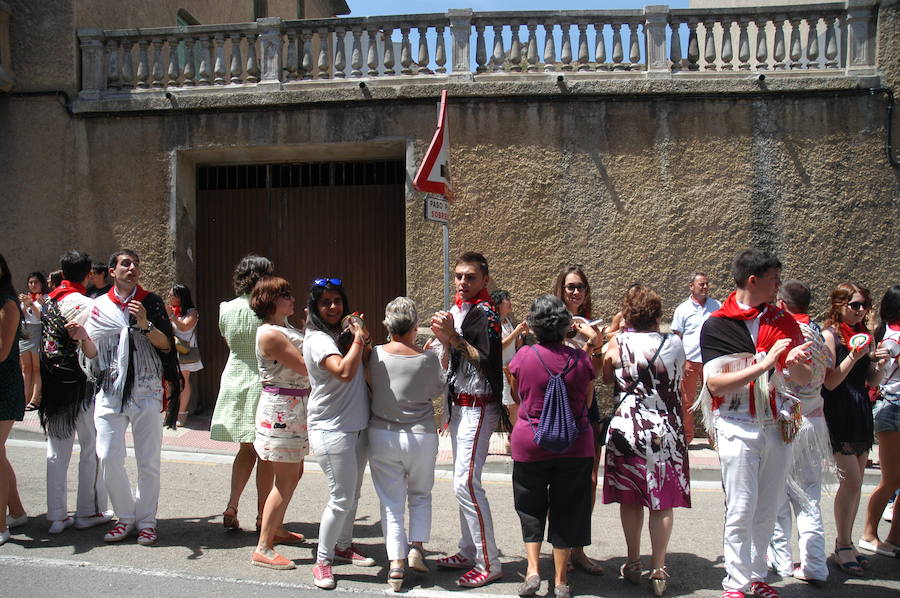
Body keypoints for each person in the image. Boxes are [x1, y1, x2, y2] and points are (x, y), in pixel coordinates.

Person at [696, 248, 812, 598]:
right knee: (741, 506)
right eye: (774, 277)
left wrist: (795, 362)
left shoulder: (783, 321)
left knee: (769, 504)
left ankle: (758, 575)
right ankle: (735, 581)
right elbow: (714, 384)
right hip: (735, 423)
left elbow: (804, 378)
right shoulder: (718, 324)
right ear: (753, 280)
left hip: (774, 424)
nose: (779, 284)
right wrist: (766, 363)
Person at [77, 249, 181, 546]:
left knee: (148, 461)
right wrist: (82, 339)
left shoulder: (150, 301)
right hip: (110, 390)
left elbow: (166, 347)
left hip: (146, 390)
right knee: (108, 456)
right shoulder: (98, 307)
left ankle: (146, 521)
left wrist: (146, 324)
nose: (132, 267)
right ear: (112, 271)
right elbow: (93, 354)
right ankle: (126, 516)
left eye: (136, 263)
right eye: (125, 263)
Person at [601, 285, 689, 597]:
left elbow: (607, 378)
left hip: (628, 429)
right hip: (665, 428)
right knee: (661, 500)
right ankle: (660, 568)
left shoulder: (619, 341)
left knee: (631, 496)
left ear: (628, 313)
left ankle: (634, 561)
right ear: (657, 313)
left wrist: (613, 329)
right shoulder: (675, 342)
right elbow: (682, 382)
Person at [508, 295, 596, 598]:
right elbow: (587, 400)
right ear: (565, 326)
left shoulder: (524, 356)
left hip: (531, 442)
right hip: (575, 444)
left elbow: (518, 395)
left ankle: (533, 570)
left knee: (530, 507)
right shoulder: (582, 360)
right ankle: (560, 580)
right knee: (567, 509)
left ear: (534, 324)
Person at [430, 252, 505, 588]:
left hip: (478, 407)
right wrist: (444, 342)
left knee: (466, 484)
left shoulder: (486, 313)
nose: (462, 282)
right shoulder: (460, 309)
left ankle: (489, 562)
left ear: (484, 280)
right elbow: (450, 360)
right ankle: (468, 550)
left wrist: (454, 339)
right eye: (459, 276)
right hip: (459, 407)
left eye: (470, 277)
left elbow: (484, 361)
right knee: (461, 483)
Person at [367, 297, 445, 591]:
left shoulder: (374, 355)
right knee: (421, 494)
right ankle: (416, 548)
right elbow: (437, 390)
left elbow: (369, 383)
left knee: (391, 503)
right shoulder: (427, 359)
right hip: (421, 435)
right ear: (414, 325)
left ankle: (396, 565)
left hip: (383, 433)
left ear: (388, 326)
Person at [303, 277, 374, 589]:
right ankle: (322, 561)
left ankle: (344, 545)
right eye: (325, 302)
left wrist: (362, 339)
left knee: (352, 494)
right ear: (315, 307)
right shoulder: (318, 339)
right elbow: (344, 372)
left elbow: (364, 362)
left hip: (356, 426)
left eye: (337, 301)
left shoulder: (339, 335)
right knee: (341, 497)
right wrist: (359, 337)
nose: (332, 307)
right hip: (331, 429)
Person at [38, 250, 112, 535]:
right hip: (81, 383)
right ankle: (87, 510)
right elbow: (94, 345)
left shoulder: (48, 300)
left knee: (56, 448)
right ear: (88, 273)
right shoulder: (86, 303)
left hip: (53, 380)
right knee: (90, 447)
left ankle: (57, 516)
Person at [765, 280, 833, 584]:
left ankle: (781, 559)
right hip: (815, 417)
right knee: (809, 497)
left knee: (779, 494)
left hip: (790, 420)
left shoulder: (791, 332)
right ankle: (815, 563)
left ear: (783, 303)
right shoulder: (818, 331)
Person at [210, 254, 275, 532]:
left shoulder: (226, 308)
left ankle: (232, 504)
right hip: (262, 379)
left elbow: (228, 341)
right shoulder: (267, 310)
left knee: (245, 449)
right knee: (266, 453)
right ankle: (263, 515)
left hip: (235, 376)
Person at [249, 276, 310, 569]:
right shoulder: (270, 334)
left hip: (293, 407)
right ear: (271, 301)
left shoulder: (284, 329)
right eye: (285, 295)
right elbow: (305, 365)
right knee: (284, 480)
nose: (292, 298)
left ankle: (276, 528)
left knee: (294, 473)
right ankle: (264, 546)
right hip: (283, 411)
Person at [820, 283, 881, 575]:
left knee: (856, 485)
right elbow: (830, 382)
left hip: (860, 409)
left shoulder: (865, 336)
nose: (860, 311)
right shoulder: (830, 335)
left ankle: (845, 542)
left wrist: (880, 363)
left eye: (864, 306)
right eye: (854, 305)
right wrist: (853, 356)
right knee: (852, 482)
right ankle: (843, 543)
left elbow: (871, 381)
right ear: (839, 304)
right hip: (839, 410)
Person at [551, 264, 605, 575]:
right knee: (559, 482)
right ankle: (561, 550)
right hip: (561, 408)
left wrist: (595, 343)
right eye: (571, 286)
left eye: (581, 287)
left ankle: (578, 548)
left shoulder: (590, 326)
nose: (576, 292)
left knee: (589, 480)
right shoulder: (550, 323)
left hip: (588, 405)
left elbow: (595, 373)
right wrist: (586, 344)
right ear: (561, 290)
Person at [859, 285, 900, 558]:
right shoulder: (893, 336)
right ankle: (869, 533)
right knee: (891, 479)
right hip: (893, 408)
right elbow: (879, 372)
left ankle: (894, 538)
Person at [671, 272, 721, 444]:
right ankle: (687, 438)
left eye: (707, 284)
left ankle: (715, 438)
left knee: (714, 400)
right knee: (686, 402)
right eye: (701, 284)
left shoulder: (717, 306)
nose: (705, 287)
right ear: (691, 286)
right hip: (689, 362)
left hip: (712, 361)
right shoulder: (682, 309)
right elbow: (676, 337)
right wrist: (679, 362)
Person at [0, 253, 28, 545]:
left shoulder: (7, 305)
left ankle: (1, 526)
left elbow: (2, 351)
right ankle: (17, 512)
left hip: (4, 387)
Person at [167, 284, 204, 427]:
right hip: (171, 350)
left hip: (185, 351)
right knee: (170, 381)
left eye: (172, 295)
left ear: (180, 297)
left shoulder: (191, 312)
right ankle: (171, 411)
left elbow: (185, 327)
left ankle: (182, 414)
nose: (170, 298)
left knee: (183, 380)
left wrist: (172, 317)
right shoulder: (173, 311)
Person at [492, 290, 527, 432]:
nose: (510, 302)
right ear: (499, 303)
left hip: (512, 369)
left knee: (513, 404)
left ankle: (511, 437)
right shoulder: (494, 322)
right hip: (502, 370)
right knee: (511, 405)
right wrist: (516, 332)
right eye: (507, 299)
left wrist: (522, 335)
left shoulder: (507, 321)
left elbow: (516, 345)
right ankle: (512, 437)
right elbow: (498, 346)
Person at [19, 271, 48, 411]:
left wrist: (31, 304)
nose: (33, 285)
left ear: (41, 283)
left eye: (36, 282)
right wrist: (25, 304)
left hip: (37, 332)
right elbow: (23, 317)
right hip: (25, 333)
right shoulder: (26, 298)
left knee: (37, 368)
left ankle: (35, 399)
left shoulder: (44, 298)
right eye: (30, 282)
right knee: (26, 368)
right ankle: (23, 399)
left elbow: (41, 317)